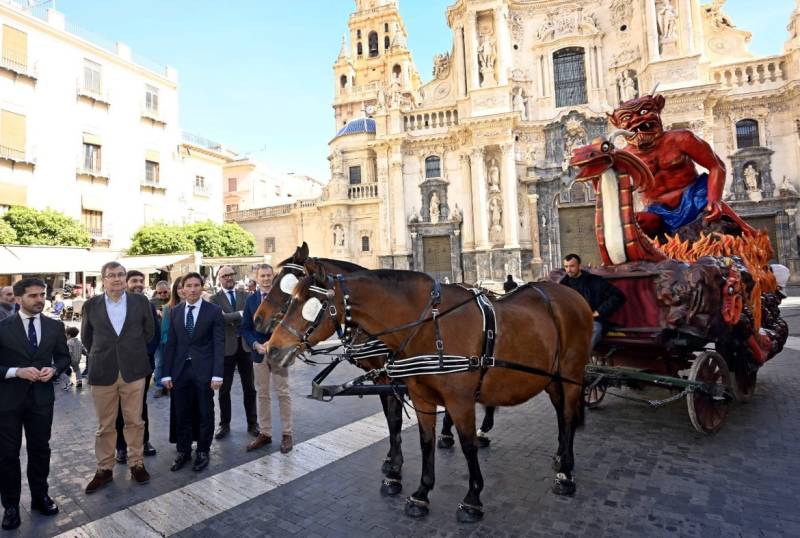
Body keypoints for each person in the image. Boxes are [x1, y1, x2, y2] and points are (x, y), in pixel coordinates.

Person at [0, 278, 70, 530]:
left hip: (42, 399)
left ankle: (40, 496)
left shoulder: (54, 326)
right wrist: (15, 372)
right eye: (33, 296)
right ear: (18, 299)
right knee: (7, 455)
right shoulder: (2, 327)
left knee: (40, 450)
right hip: (7, 401)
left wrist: (54, 369)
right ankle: (10, 505)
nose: (40, 299)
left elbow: (63, 358)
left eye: (42, 294)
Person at [82, 262, 155, 494]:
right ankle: (104, 469)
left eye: (121, 274)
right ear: (102, 279)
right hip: (103, 371)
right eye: (111, 275)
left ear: (126, 278)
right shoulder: (91, 305)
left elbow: (149, 332)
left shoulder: (140, 302)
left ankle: (136, 463)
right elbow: (86, 338)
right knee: (105, 425)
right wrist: (106, 354)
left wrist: (130, 351)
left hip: (133, 370)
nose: (117, 279)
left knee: (135, 420)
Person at [161, 273, 225, 473]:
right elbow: (170, 344)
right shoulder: (175, 312)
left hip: (204, 371)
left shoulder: (214, 311)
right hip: (180, 371)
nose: (193, 289)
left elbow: (218, 343)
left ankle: (203, 451)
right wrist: (165, 374)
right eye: (189, 285)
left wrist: (217, 374)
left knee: (206, 413)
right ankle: (183, 451)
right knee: (181, 413)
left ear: (202, 287)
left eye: (197, 285)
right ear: (182, 289)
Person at [240, 264, 293, 454]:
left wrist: (274, 342)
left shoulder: (284, 299)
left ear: (274, 276)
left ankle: (287, 434)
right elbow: (245, 328)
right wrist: (255, 344)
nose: (266, 279)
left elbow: (289, 324)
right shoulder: (251, 300)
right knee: (262, 394)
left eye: (269, 275)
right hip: (258, 353)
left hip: (278, 352)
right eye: (262, 275)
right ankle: (265, 433)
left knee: (283, 393)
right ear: (256, 277)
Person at [113, 271, 160, 464]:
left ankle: (143, 441)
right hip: (116, 365)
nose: (139, 284)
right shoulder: (113, 304)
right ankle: (121, 447)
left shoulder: (147, 305)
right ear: (125, 283)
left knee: (140, 405)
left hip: (142, 365)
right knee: (118, 407)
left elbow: (154, 335)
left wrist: (141, 356)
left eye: (141, 281)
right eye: (134, 281)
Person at [209, 266, 258, 439]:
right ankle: (224, 424)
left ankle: (253, 424)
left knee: (250, 388)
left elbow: (252, 317)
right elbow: (219, 318)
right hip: (226, 349)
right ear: (219, 279)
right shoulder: (214, 299)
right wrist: (240, 314)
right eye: (225, 275)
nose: (229, 278)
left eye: (231, 275)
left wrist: (233, 316)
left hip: (245, 347)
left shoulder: (246, 295)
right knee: (224, 390)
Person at [559, 254, 625, 349]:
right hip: (570, 321)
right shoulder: (562, 285)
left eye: (572, 266)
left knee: (595, 329)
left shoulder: (595, 281)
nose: (568, 270)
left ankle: (582, 357)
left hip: (592, 320)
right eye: (566, 266)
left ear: (579, 266)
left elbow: (618, 296)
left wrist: (600, 311)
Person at [150, 280, 170, 396]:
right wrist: (155, 312)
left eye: (165, 292)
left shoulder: (174, 300)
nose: (162, 294)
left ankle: (170, 385)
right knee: (159, 363)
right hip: (157, 337)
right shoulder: (151, 303)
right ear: (156, 292)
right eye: (160, 292)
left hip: (171, 337)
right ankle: (159, 386)